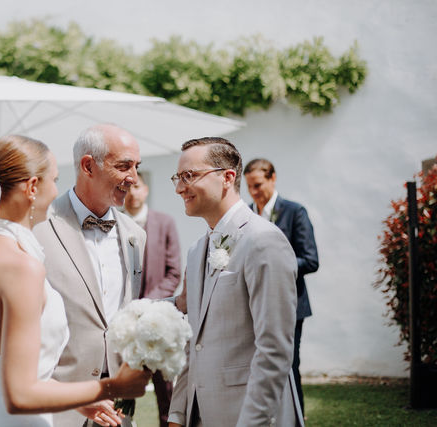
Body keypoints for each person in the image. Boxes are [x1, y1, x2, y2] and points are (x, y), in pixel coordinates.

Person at [0, 135, 150, 427]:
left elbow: (1, 368)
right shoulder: (21, 266)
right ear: (33, 187)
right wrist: (111, 387)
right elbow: (19, 394)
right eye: (55, 180)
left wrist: (78, 399)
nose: (57, 190)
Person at [167, 137, 302, 427]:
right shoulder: (196, 251)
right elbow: (194, 344)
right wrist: (177, 415)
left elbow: (274, 350)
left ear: (227, 177)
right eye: (178, 178)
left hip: (250, 415)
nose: (180, 188)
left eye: (189, 176)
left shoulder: (263, 240)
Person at [33, 124, 147, 427]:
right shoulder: (38, 227)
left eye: (136, 167)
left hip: (118, 408)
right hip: (56, 406)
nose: (134, 178)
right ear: (88, 166)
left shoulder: (135, 235)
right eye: (124, 166)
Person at [244, 158, 319, 416]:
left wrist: (273, 265)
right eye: (249, 187)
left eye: (257, 185)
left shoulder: (295, 212)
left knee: (288, 366)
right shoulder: (246, 214)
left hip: (290, 304)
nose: (253, 192)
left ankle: (296, 418)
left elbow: (310, 260)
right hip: (253, 305)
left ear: (273, 178)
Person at [124, 172, 181, 427]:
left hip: (157, 320)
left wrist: (148, 304)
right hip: (124, 323)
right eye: (127, 188)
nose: (132, 193)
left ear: (146, 190)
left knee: (166, 392)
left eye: (136, 186)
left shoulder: (165, 222)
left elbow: (174, 272)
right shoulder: (114, 223)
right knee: (122, 394)